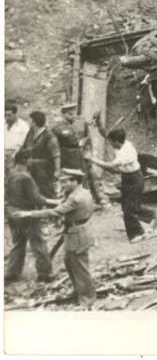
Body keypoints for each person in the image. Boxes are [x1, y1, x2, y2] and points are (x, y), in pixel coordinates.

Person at [12, 168, 96, 307]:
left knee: (80, 267)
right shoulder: (82, 192)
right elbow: (62, 203)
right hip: (77, 232)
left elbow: (55, 212)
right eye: (62, 182)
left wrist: (28, 214)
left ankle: (87, 299)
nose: (63, 184)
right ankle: (78, 291)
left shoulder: (75, 198)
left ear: (76, 181)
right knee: (70, 262)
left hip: (78, 235)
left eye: (66, 182)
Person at [89, 126, 157, 243]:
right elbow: (106, 135)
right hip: (127, 178)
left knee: (129, 209)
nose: (110, 144)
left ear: (116, 142)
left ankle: (137, 234)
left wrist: (92, 159)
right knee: (129, 206)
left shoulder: (126, 152)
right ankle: (154, 213)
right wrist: (99, 125)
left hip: (135, 179)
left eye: (111, 142)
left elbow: (111, 166)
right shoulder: (120, 143)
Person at [4, 150, 54, 284]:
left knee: (18, 243)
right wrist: (55, 202)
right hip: (26, 214)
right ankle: (45, 274)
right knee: (38, 243)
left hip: (12, 213)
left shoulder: (11, 173)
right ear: (26, 161)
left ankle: (12, 273)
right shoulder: (26, 177)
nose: (34, 161)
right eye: (32, 159)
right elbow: (36, 199)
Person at [59, 105, 105, 207]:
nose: (73, 116)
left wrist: (88, 151)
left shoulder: (81, 121)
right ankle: (81, 201)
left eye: (74, 113)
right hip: (70, 157)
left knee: (90, 175)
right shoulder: (59, 127)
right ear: (63, 114)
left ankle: (98, 198)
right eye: (70, 114)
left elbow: (88, 137)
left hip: (83, 154)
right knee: (75, 179)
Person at [23, 111, 60, 199]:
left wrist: (57, 170)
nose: (29, 123)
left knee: (46, 190)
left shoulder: (49, 136)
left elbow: (56, 154)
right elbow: (24, 147)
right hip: (31, 167)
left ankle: (52, 204)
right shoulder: (30, 134)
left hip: (44, 169)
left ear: (34, 123)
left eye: (30, 121)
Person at [5, 100, 30, 166]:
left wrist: (13, 156)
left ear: (15, 114)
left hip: (16, 155)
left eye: (9, 115)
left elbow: (26, 144)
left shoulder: (24, 126)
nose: (6, 118)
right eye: (5, 115)